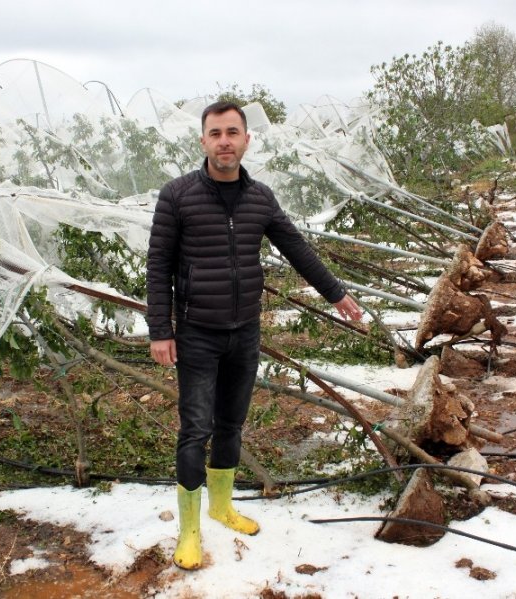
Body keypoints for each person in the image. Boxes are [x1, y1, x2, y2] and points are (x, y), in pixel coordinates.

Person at [146, 101, 362, 570]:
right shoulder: (177, 196)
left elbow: (297, 249)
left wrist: (337, 295)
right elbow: (158, 266)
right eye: (215, 132)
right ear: (203, 141)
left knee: (231, 425)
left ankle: (222, 506)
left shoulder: (260, 198)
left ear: (247, 140)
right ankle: (189, 531)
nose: (224, 140)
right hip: (197, 334)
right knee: (194, 429)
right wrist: (161, 329)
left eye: (233, 132)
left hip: (245, 332)